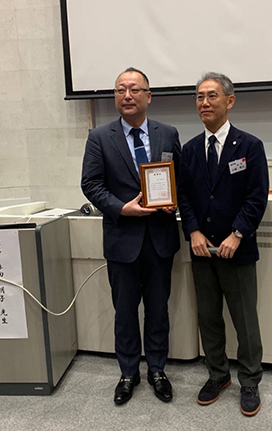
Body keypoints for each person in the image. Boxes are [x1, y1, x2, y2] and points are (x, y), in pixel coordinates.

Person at [81, 68, 181, 405]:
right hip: (122, 239)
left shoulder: (168, 133)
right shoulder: (99, 137)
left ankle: (157, 370)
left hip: (160, 238)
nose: (127, 95)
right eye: (120, 89)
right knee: (124, 312)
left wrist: (174, 200)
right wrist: (121, 208)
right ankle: (127, 372)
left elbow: (179, 177)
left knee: (158, 310)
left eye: (134, 89)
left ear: (148, 96)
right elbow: (90, 184)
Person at [177, 72, 269, 416]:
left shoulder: (249, 146)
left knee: (245, 320)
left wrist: (238, 233)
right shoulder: (189, 150)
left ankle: (250, 380)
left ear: (229, 101)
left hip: (237, 250)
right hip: (202, 251)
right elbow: (184, 197)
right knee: (208, 318)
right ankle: (218, 375)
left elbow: (257, 197)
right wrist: (193, 231)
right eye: (199, 97)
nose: (204, 103)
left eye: (211, 96)